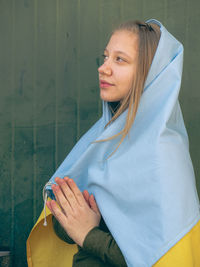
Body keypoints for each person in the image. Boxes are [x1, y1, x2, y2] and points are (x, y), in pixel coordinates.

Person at [27, 19, 200, 267]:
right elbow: (68, 229)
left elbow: (164, 258)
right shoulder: (103, 137)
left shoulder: (164, 155)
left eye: (120, 59)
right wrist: (75, 219)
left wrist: (90, 234)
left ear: (149, 72)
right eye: (106, 57)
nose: (103, 68)